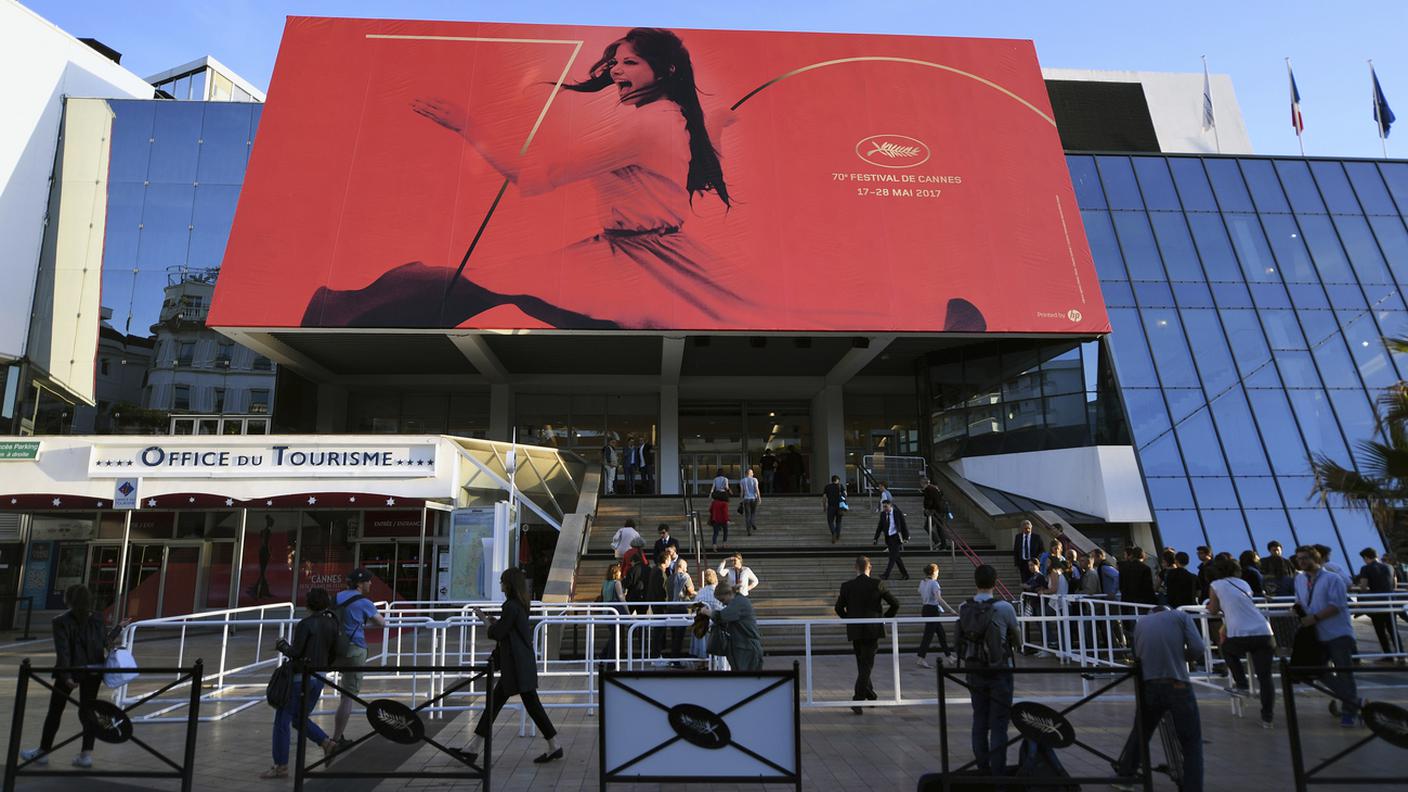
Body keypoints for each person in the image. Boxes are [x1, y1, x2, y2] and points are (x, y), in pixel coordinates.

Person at [458, 569, 562, 765]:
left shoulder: (511, 606)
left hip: (515, 668)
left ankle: (473, 747)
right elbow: (506, 629)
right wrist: (494, 623)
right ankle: (553, 744)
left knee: (503, 706)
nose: (501, 585)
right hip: (520, 665)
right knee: (526, 706)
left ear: (509, 585)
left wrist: (483, 621)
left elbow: (498, 633)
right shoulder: (519, 605)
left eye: (502, 582)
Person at [20, 585, 123, 769]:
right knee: (88, 712)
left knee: (55, 711)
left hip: (71, 671)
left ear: (69, 600)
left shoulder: (60, 621)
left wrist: (66, 675)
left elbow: (64, 651)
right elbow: (105, 643)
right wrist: (118, 629)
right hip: (93, 672)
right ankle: (86, 755)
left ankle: (43, 752)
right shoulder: (98, 618)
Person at [1112, 605, 1206, 792]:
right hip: (1177, 683)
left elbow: (1136, 654)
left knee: (1141, 732)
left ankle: (1125, 776)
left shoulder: (1141, 623)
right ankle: (1192, 787)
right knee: (1190, 742)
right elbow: (1198, 647)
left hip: (1149, 685)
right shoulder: (1181, 617)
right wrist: (1184, 656)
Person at [261, 588, 340, 780]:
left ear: (308, 604)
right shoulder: (332, 623)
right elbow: (334, 651)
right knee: (299, 718)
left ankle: (281, 766)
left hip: (300, 678)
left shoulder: (306, 624)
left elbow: (296, 652)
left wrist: (282, 645)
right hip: (319, 676)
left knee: (283, 720)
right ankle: (326, 743)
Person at [955, 564, 1020, 778]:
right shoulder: (1004, 608)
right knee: (999, 723)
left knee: (979, 719)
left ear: (975, 582)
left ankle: (983, 770)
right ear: (996, 582)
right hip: (999, 668)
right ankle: (998, 774)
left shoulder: (964, 606)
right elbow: (1017, 637)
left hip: (974, 668)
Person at [1294, 545, 1360, 727]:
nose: (1301, 561)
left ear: (1316, 559)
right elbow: (1301, 601)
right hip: (1316, 635)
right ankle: (1353, 701)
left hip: (1337, 633)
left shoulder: (1333, 579)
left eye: (1305, 558)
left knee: (1344, 672)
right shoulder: (1299, 580)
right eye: (1299, 558)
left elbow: (1336, 605)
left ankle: (1350, 710)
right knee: (1317, 671)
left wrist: (1314, 618)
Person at [1206, 557, 1276, 727]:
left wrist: (1209, 605)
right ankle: (1267, 717)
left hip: (1240, 634)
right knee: (1265, 677)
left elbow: (1214, 610)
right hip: (1263, 631)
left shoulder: (1216, 585)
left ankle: (1242, 684)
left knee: (1227, 649)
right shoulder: (1243, 584)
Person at [835, 556, 900, 714]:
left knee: (862, 663)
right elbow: (895, 603)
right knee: (866, 665)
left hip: (856, 630)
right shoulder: (877, 584)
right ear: (869, 567)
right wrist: (884, 619)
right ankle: (861, 698)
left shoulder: (847, 586)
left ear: (855, 567)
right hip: (872, 630)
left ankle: (867, 696)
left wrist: (849, 620)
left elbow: (838, 608)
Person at [332, 569, 386, 749]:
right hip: (355, 649)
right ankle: (337, 737)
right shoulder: (365, 603)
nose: (371, 584)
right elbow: (382, 622)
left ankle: (335, 737)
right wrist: (363, 623)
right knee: (347, 697)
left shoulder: (337, 596)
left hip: (336, 648)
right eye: (369, 581)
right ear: (360, 583)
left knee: (340, 691)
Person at [1355, 547, 1401, 659]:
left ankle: (1388, 655)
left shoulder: (1365, 568)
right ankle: (1401, 654)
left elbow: (1363, 587)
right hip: (1390, 603)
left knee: (1381, 631)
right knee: (1393, 630)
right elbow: (1394, 585)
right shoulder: (1389, 567)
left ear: (1366, 557)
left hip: (1376, 604)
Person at [709, 581, 763, 670]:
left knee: (744, 680)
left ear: (729, 594)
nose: (723, 604)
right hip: (745, 647)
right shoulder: (739, 601)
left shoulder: (738, 603)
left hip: (747, 649)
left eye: (723, 600)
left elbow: (721, 617)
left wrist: (708, 612)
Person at [915, 562, 955, 667]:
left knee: (941, 633)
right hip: (932, 610)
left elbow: (920, 592)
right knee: (928, 635)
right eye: (937, 571)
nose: (938, 573)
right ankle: (921, 658)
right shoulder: (934, 583)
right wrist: (950, 609)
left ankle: (949, 656)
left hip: (926, 608)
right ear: (934, 572)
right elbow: (939, 598)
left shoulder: (922, 582)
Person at [873, 500, 911, 580]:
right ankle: (905, 574)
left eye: (886, 506)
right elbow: (880, 526)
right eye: (883, 507)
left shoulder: (897, 513)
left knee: (892, 557)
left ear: (890, 505)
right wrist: (876, 538)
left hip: (896, 538)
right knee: (896, 557)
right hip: (889, 538)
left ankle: (886, 575)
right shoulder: (883, 514)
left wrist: (906, 536)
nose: (885, 508)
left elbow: (903, 524)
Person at [919, 475, 948, 550]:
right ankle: (943, 546)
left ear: (922, 483)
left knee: (927, 527)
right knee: (940, 528)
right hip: (940, 511)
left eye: (921, 483)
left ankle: (937, 541)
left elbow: (929, 501)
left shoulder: (929, 489)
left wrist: (926, 508)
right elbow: (938, 496)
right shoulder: (934, 488)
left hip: (935, 511)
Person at [822, 475, 847, 544]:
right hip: (839, 507)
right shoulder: (840, 486)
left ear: (832, 480)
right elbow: (845, 494)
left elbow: (824, 497)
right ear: (837, 480)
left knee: (830, 521)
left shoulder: (827, 487)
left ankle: (833, 533)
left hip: (831, 507)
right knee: (838, 522)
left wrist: (824, 507)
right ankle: (837, 535)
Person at [739, 468, 761, 534]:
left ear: (746, 474)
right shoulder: (755, 479)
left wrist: (741, 500)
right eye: (752, 472)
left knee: (747, 515)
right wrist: (759, 498)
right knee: (753, 513)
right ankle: (752, 523)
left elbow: (742, 492)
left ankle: (748, 530)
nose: (753, 473)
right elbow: (757, 489)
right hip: (754, 498)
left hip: (746, 499)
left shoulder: (742, 480)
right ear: (751, 473)